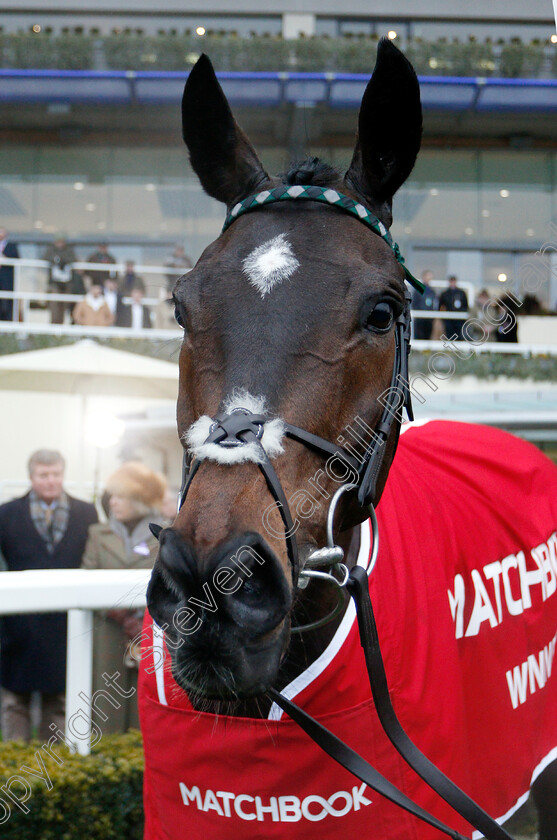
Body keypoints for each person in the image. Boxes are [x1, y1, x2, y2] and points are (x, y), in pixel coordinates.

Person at [0, 450, 97, 742]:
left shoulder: (86, 512)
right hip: (17, 625)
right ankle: (14, 764)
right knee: (14, 702)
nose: (51, 481)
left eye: (56, 474)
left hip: (66, 624)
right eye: (44, 475)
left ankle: (50, 766)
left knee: (60, 700)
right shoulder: (6, 514)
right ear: (31, 477)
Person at [81, 462, 166, 732]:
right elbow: (86, 579)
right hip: (108, 635)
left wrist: (140, 619)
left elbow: (169, 583)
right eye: (112, 495)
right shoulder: (98, 534)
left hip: (151, 633)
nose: (112, 502)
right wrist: (124, 618)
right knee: (106, 707)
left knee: (146, 706)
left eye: (121, 496)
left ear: (139, 499)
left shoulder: (165, 535)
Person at [43, 236, 78, 324]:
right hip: (54, 282)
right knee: (54, 305)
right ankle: (54, 325)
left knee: (64, 305)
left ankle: (61, 325)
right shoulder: (50, 250)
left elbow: (73, 260)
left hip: (66, 283)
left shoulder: (69, 251)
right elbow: (45, 258)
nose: (60, 244)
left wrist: (63, 261)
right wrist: (55, 261)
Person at [439, 275, 468, 341]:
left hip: (459, 320)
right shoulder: (445, 294)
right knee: (449, 335)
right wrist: (443, 318)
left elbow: (465, 306)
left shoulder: (461, 293)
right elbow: (440, 306)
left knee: (459, 335)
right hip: (448, 319)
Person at [0, 227, 20, 321]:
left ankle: (7, 321)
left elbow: (17, 259)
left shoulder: (12, 246)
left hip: (7, 279)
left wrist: (6, 259)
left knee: (7, 302)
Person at [411, 270, 437, 340]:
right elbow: (414, 303)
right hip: (420, 318)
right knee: (419, 336)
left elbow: (434, 304)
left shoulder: (432, 291)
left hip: (429, 318)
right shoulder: (418, 290)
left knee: (427, 336)